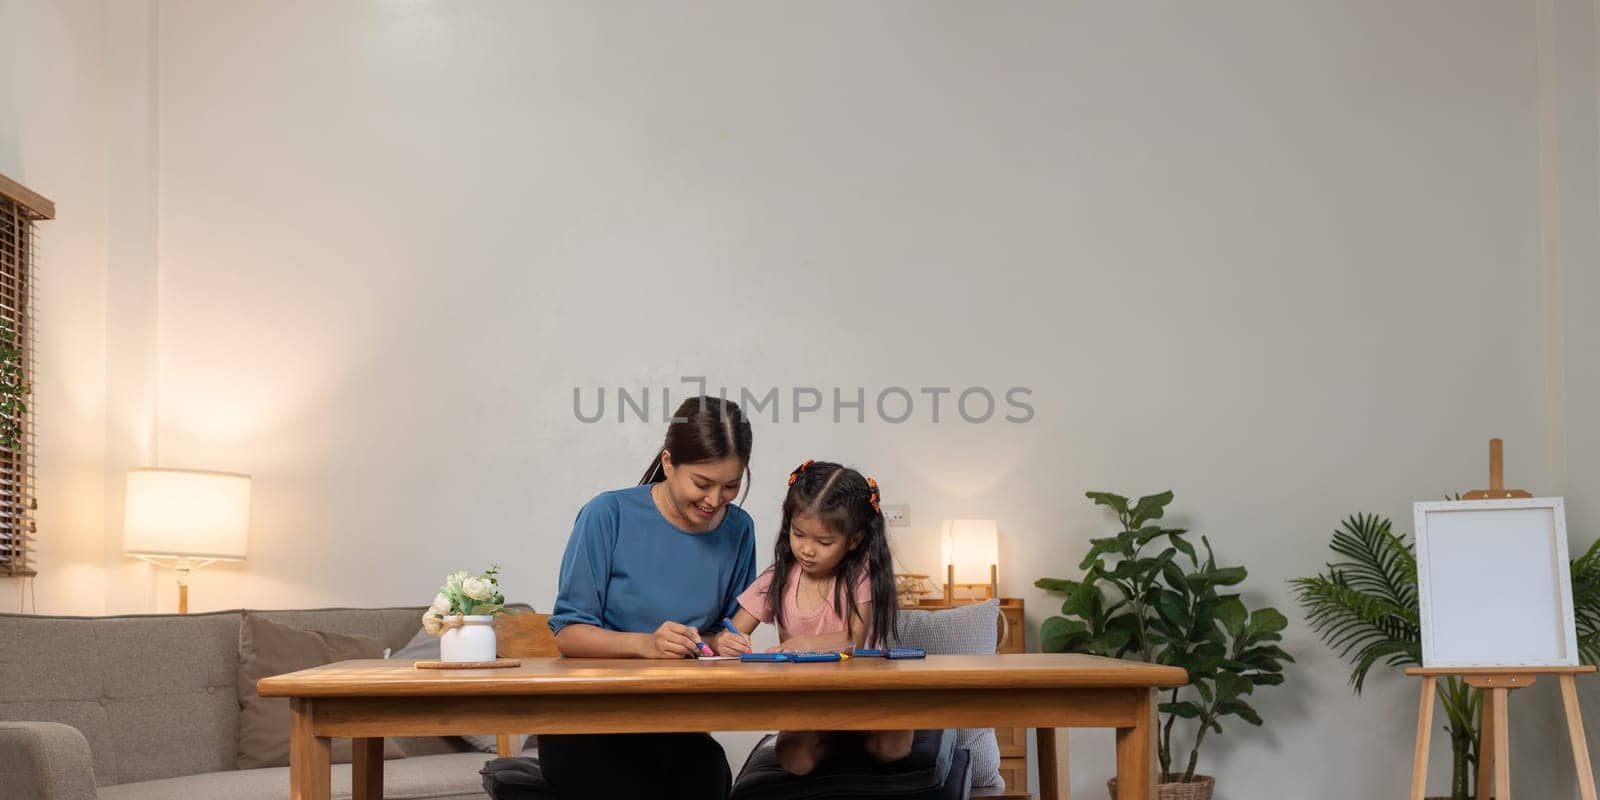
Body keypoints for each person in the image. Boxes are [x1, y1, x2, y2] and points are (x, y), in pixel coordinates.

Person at [541, 396, 757, 800]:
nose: (715, 500)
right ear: (669, 463)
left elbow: (718, 638)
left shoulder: (739, 530)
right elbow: (568, 633)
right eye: (702, 483)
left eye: (730, 486)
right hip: (587, 722)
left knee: (709, 774)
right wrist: (645, 643)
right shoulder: (608, 514)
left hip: (674, 722)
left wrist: (719, 642)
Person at [723, 458, 910, 776]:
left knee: (894, 746)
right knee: (795, 759)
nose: (807, 550)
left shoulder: (860, 575)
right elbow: (730, 632)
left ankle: (851, 737)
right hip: (808, 701)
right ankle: (831, 738)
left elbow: (854, 638)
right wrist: (727, 641)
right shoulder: (778, 578)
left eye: (823, 542)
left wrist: (804, 643)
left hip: (865, 696)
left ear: (853, 541)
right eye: (798, 535)